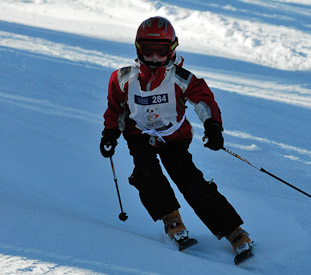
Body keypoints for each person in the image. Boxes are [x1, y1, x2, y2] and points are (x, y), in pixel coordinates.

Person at [100, 16, 252, 258]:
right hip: (139, 134)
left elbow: (205, 101)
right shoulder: (123, 78)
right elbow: (116, 108)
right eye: (148, 51)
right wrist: (110, 133)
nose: (154, 58)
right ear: (138, 49)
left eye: (160, 52)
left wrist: (213, 127)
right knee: (145, 172)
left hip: (174, 137)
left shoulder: (180, 78)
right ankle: (171, 218)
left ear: (171, 49)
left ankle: (233, 229)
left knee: (190, 181)